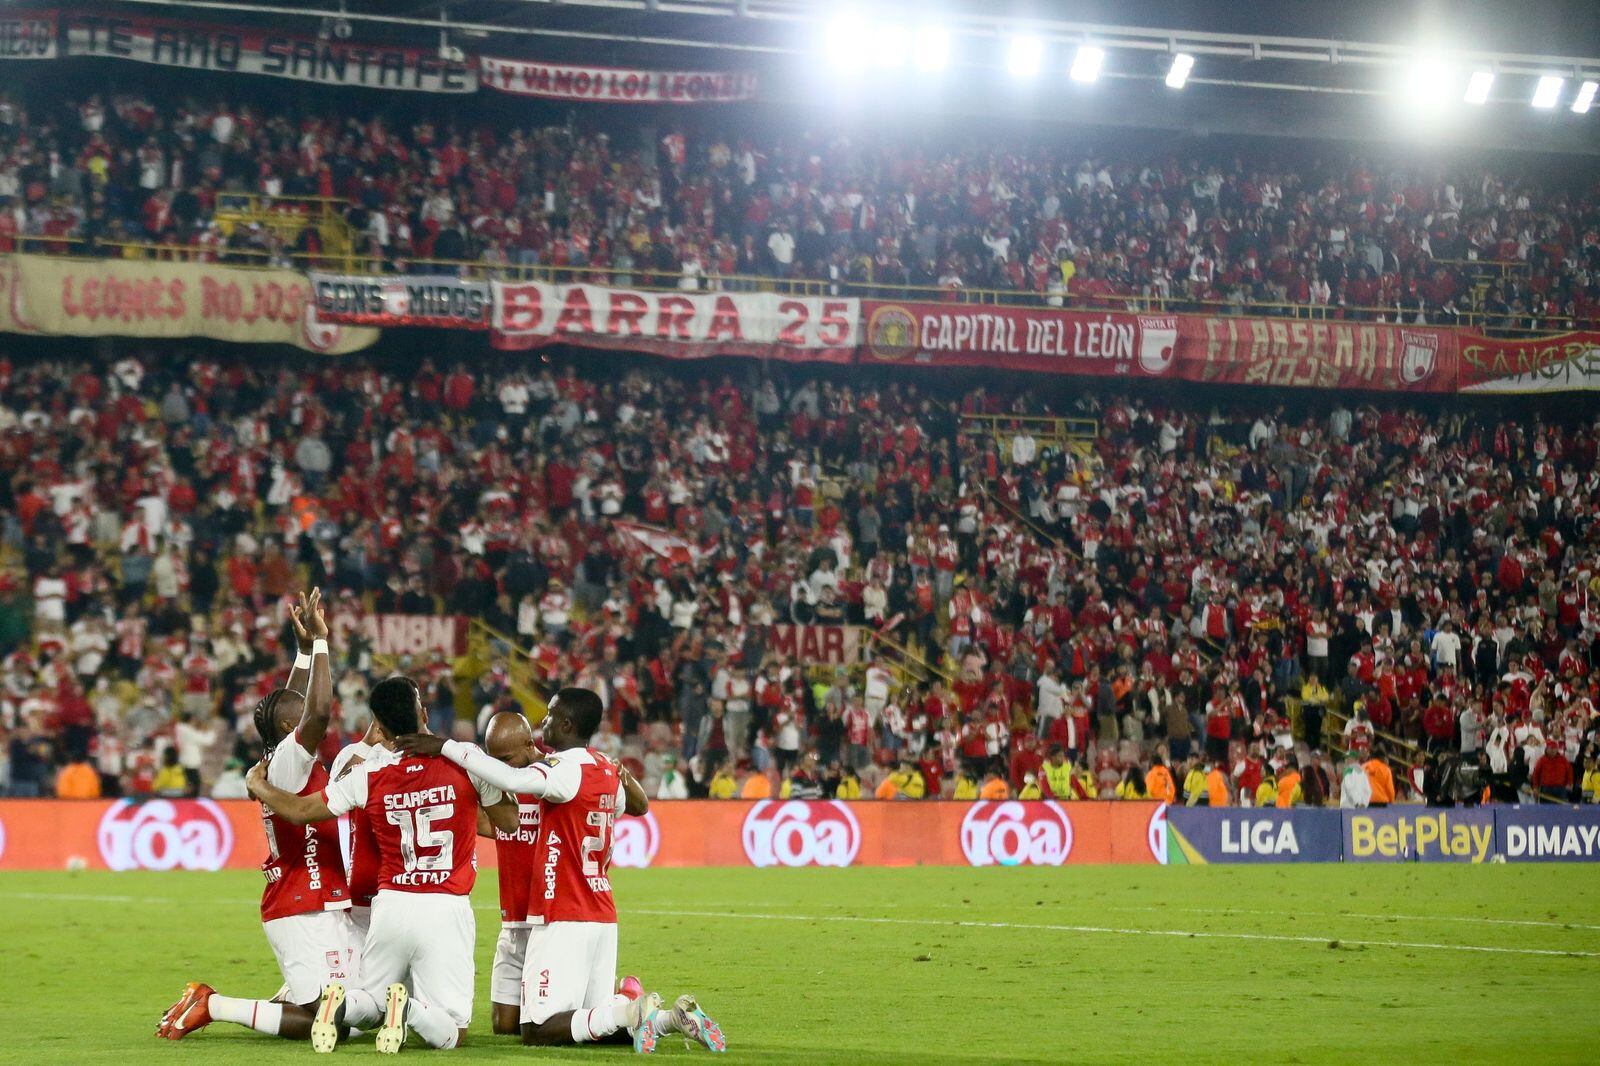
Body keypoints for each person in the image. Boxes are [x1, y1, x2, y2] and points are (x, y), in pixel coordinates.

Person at [398, 687, 723, 1053]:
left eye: (550, 715)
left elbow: (517, 782)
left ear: (566, 723)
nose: (544, 721)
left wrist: (447, 747)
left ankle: (629, 1008)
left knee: (536, 1029)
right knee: (584, 1026)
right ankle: (662, 1018)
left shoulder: (558, 771)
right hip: (597, 911)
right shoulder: (599, 768)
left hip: (561, 911)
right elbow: (629, 806)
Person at [245, 674, 520, 1052]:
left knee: (371, 1005)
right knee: (453, 1031)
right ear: (423, 711)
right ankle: (407, 1010)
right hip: (445, 906)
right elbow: (509, 821)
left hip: (388, 907)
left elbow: (301, 811)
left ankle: (338, 1000)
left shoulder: (370, 774)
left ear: (381, 726)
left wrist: (259, 785)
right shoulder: (464, 762)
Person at [158, 590, 356, 1044]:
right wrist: (324, 643)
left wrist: (305, 651)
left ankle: (294, 992)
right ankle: (214, 1004)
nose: (306, 711)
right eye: (298, 714)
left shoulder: (279, 755)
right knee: (329, 1025)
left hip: (315, 900)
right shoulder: (289, 760)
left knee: (347, 1008)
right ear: (292, 729)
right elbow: (318, 709)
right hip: (301, 906)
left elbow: (294, 703)